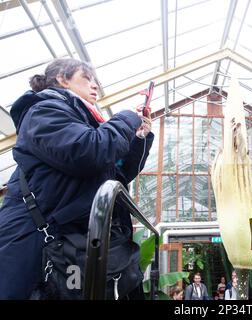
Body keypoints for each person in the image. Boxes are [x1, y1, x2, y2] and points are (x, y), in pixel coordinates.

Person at [0, 58, 154, 299]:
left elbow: (115, 175)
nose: (95, 86)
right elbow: (88, 152)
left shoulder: (82, 119)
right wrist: (126, 118)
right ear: (63, 79)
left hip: (70, 243)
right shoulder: (43, 111)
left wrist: (138, 139)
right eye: (87, 78)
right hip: (35, 248)